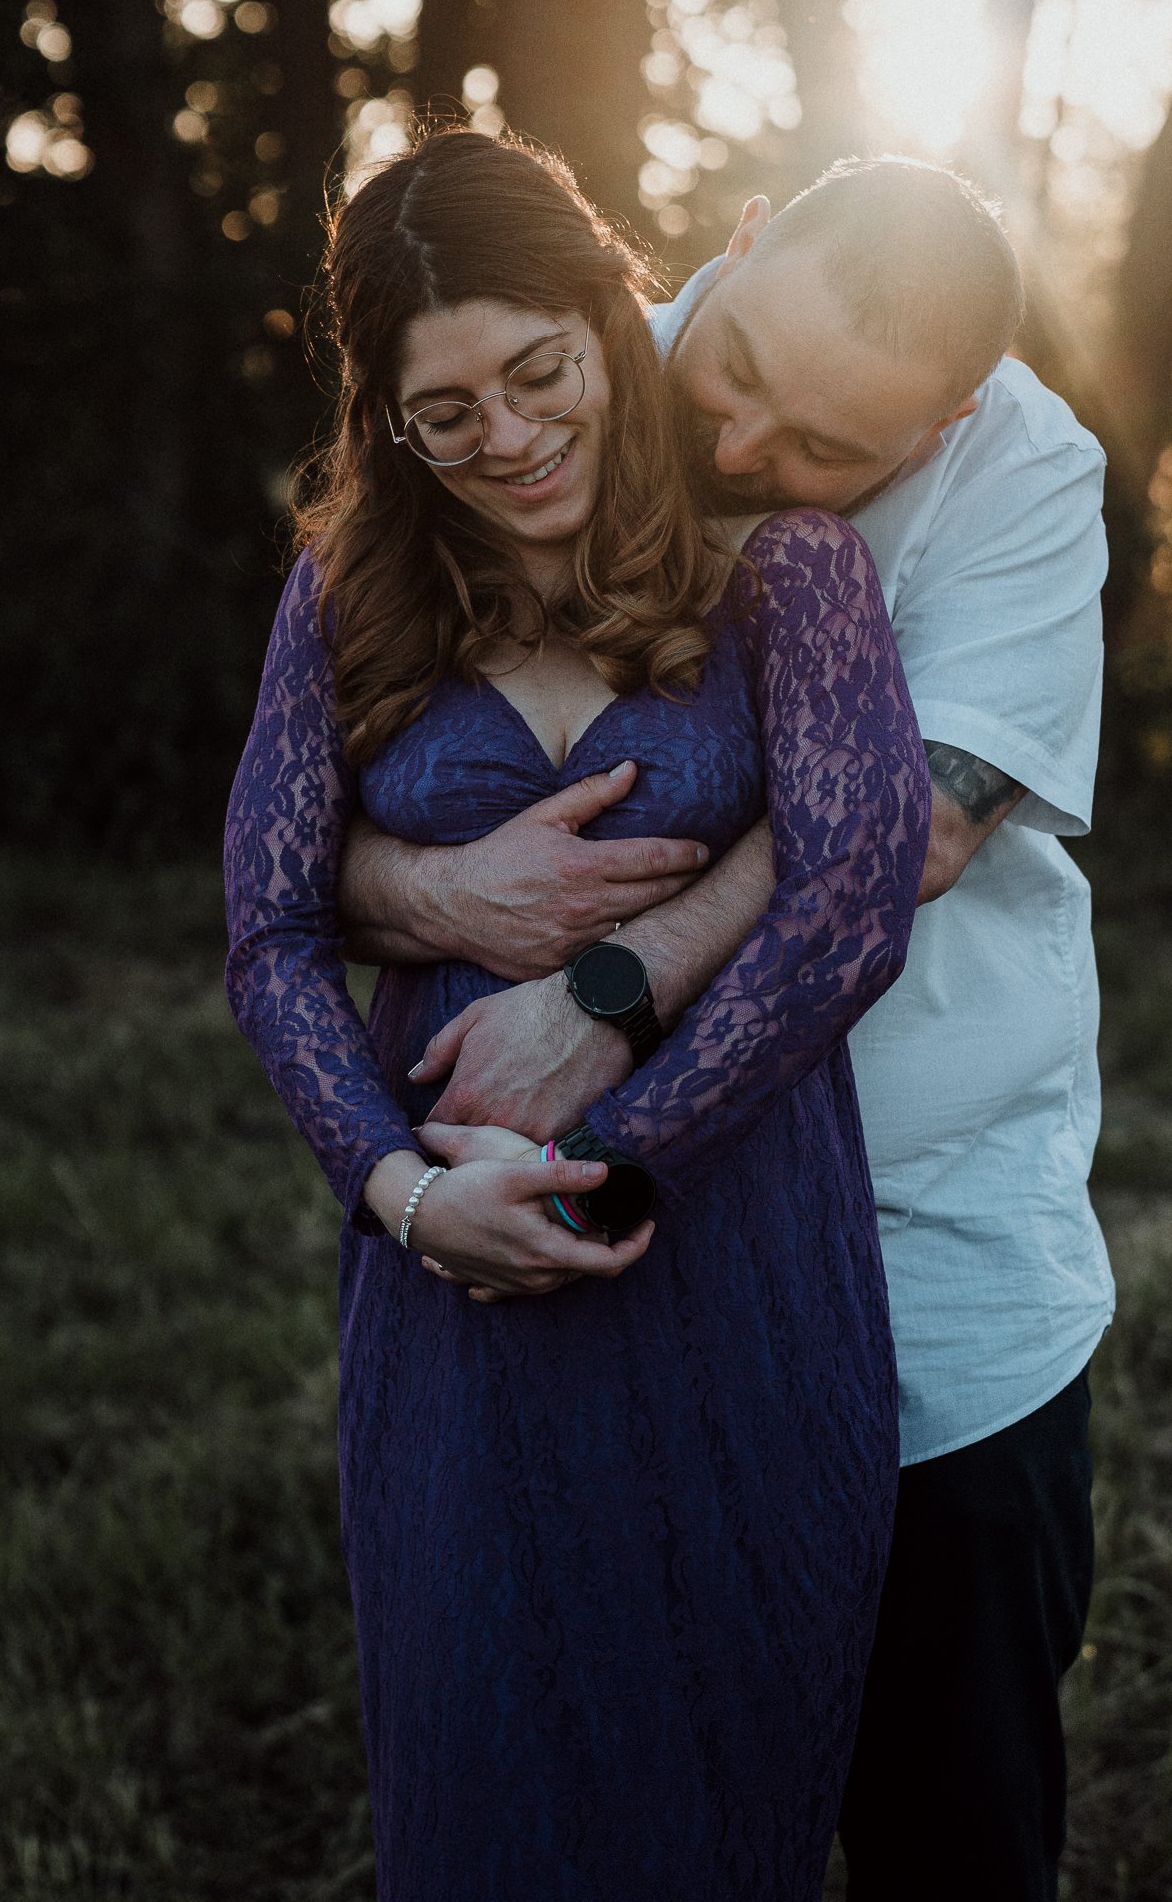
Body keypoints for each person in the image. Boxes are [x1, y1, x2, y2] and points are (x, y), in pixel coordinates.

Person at [339, 156, 1113, 1901]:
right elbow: (317, 803)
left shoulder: (1023, 466)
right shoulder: (556, 383)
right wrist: (440, 900)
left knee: (947, 1826)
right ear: (740, 238)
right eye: (737, 366)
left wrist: (606, 995)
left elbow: (904, 830)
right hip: (621, 1283)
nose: (744, 445)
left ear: (945, 422)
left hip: (931, 1251)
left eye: (827, 447)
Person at [223, 127, 931, 1902]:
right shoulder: (342, 601)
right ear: (384, 419)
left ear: (613, 320)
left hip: (734, 1261)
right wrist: (408, 1199)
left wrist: (606, 1164)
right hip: (449, 1299)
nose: (507, 439)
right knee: (480, 1793)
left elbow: (851, 901)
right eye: (439, 413)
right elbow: (267, 940)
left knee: (728, 1789)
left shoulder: (784, 575)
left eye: (537, 372)